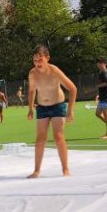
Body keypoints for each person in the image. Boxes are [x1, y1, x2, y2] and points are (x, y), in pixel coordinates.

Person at [26, 45, 77, 178]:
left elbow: (72, 88)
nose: (37, 63)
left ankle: (65, 169)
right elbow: (31, 91)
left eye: (40, 59)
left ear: (47, 58)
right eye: (35, 60)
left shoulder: (54, 71)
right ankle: (36, 170)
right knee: (40, 139)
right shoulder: (32, 73)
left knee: (58, 137)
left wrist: (70, 110)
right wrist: (30, 108)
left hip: (58, 106)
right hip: (42, 107)